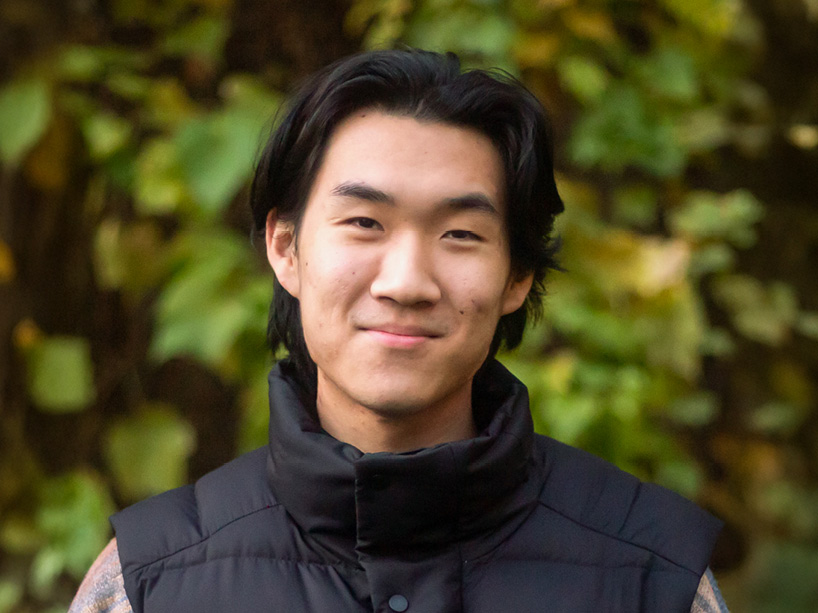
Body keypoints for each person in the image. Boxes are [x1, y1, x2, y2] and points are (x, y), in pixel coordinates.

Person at [70, 48, 729, 613]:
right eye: (364, 223)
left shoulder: (654, 574)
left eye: (460, 234)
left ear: (517, 277)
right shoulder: (150, 582)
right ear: (286, 247)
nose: (407, 281)